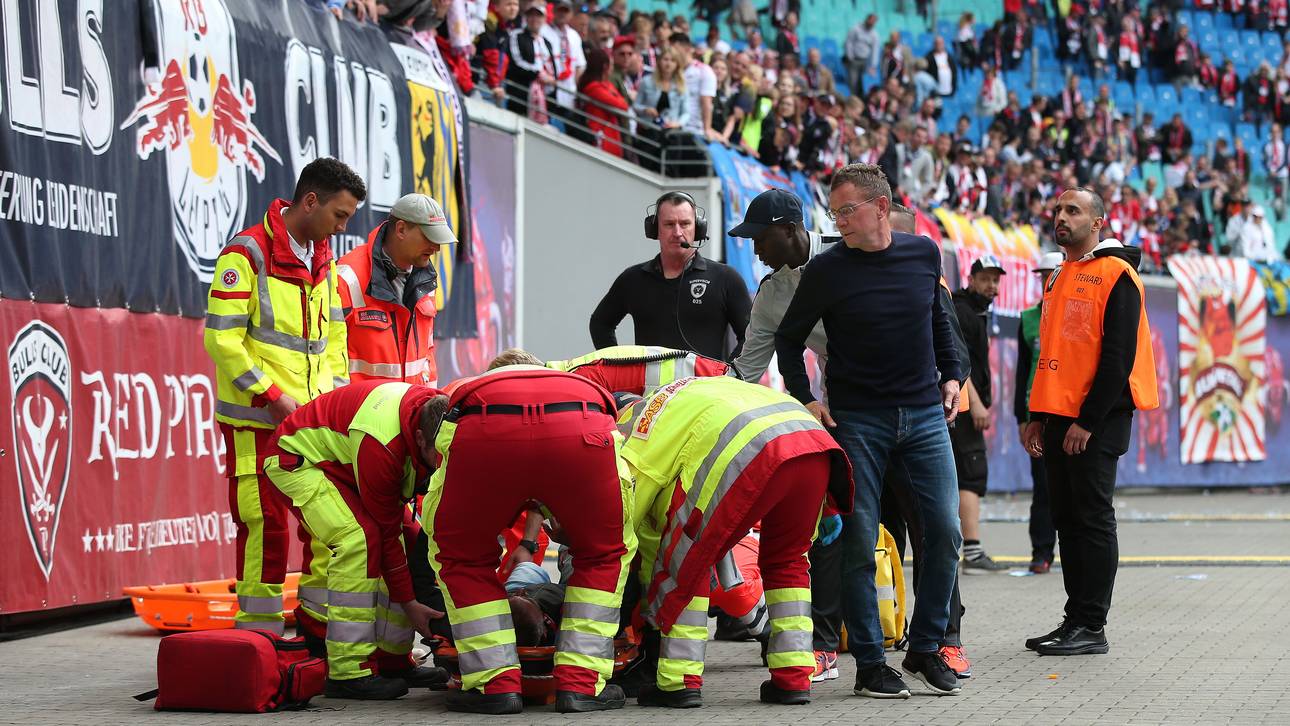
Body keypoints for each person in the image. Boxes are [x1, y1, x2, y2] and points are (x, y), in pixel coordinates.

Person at [775, 164, 965, 698]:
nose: (839, 222)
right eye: (834, 212)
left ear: (881, 208)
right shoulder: (827, 270)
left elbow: (938, 321)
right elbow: (789, 340)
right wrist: (806, 398)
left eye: (847, 210)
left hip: (926, 415)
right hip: (857, 422)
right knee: (859, 544)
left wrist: (952, 375)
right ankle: (870, 665)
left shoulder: (924, 253)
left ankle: (926, 649)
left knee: (946, 533)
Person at [616, 376, 853, 707]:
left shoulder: (637, 421)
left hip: (752, 452)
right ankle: (793, 678)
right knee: (789, 563)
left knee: (688, 561)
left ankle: (678, 682)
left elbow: (630, 505)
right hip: (812, 444)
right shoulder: (692, 390)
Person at [204, 157, 364, 633]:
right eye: (339, 215)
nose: (341, 227)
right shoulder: (246, 254)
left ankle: (316, 633)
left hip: (310, 424)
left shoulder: (324, 257)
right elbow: (222, 338)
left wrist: (330, 404)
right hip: (257, 422)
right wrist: (271, 396)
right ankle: (259, 638)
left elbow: (334, 340)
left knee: (323, 527)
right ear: (310, 201)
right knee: (264, 525)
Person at [421, 366, 635, 714]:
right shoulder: (574, 378)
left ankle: (495, 686)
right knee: (603, 556)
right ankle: (581, 687)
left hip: (483, 431)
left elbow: (449, 447)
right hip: (584, 427)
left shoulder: (472, 388)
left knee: (460, 559)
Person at [1023, 187, 1159, 656]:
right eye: (1058, 210)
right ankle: (1074, 618)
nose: (1061, 217)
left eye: (1073, 211)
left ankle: (1091, 625)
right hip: (1059, 416)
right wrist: (1037, 416)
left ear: (1098, 223)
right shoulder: (1060, 274)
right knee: (1066, 519)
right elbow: (1055, 352)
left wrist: (1088, 421)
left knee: (1092, 519)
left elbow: (1117, 358)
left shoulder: (1117, 274)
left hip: (1095, 420)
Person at [262, 382, 451, 699]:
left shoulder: (439, 416)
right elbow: (387, 533)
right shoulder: (383, 443)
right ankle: (348, 672)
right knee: (360, 541)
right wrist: (410, 604)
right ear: (419, 438)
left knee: (409, 537)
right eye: (438, 456)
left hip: (343, 467)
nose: (442, 464)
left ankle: (393, 659)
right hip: (296, 461)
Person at [589, 191, 752, 362]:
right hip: (649, 389)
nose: (677, 232)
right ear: (654, 229)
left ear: (698, 228)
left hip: (704, 388)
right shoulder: (632, 279)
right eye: (669, 224)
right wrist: (617, 366)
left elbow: (751, 338)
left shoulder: (725, 278)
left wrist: (727, 375)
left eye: (685, 224)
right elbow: (600, 323)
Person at [338, 193, 455, 387]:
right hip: (358, 414)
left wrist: (431, 407)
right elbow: (328, 359)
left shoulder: (426, 283)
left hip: (410, 412)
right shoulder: (348, 277)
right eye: (429, 237)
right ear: (401, 229)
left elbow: (427, 355)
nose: (436, 247)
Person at [951, 255, 1009, 574]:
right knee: (970, 474)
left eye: (996, 280)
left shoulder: (972, 311)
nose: (992, 286)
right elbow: (959, 361)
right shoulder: (962, 311)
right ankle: (972, 551)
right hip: (961, 407)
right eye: (985, 279)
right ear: (970, 279)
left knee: (965, 474)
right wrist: (974, 403)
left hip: (959, 405)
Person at [1016, 252, 1063, 575]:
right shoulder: (1028, 318)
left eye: (1052, 274)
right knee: (1042, 486)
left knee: (1073, 487)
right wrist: (1022, 417)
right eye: (1043, 275)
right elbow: (1022, 371)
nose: (1047, 280)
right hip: (1038, 412)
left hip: (1068, 408)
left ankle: (1073, 551)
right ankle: (1041, 551)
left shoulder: (1073, 314)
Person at [844, 14, 880, 96]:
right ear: (867, 19)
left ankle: (861, 102)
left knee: (862, 83)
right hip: (854, 60)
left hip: (865, 61)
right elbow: (849, 43)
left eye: (873, 22)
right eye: (870, 20)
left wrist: (873, 65)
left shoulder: (874, 34)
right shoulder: (855, 29)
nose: (871, 23)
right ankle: (853, 99)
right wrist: (850, 57)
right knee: (853, 82)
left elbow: (875, 50)